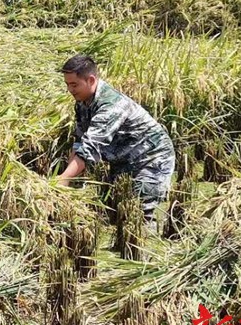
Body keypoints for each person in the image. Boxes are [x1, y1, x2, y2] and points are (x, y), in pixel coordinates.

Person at [56, 54, 175, 232]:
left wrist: (63, 180)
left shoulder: (111, 105)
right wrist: (68, 181)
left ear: (90, 80)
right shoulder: (82, 103)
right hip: (123, 159)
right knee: (117, 211)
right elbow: (80, 143)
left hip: (151, 159)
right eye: (67, 85)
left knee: (140, 216)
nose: (70, 90)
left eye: (74, 85)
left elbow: (90, 148)